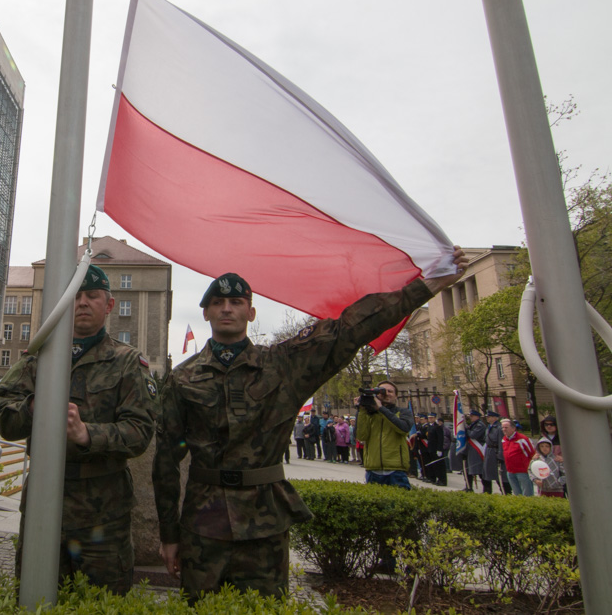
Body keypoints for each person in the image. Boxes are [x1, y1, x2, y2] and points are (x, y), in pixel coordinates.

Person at [152, 246, 468, 601]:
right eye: (218, 302)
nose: (227, 308)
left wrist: (428, 286)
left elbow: (350, 328)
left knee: (266, 609)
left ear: (251, 312)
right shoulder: (182, 379)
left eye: (237, 302)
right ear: (207, 312)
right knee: (201, 608)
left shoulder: (284, 365)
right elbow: (166, 459)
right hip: (202, 525)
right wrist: (169, 534)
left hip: (265, 523)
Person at [0, 264, 157, 594]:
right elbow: (4, 421)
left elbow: (140, 432)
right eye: (75, 297)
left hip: (103, 515)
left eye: (92, 296)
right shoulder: (37, 358)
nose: (82, 303)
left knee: (101, 602)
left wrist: (88, 434)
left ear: (109, 305)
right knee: (34, 596)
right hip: (43, 504)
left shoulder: (127, 362)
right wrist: (31, 409)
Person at [355, 382, 415, 489]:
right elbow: (361, 436)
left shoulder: (403, 412)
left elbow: (403, 428)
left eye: (390, 391)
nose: (386, 394)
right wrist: (361, 411)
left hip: (396, 470)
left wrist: (381, 408)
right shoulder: (370, 415)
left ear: (396, 396)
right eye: (382, 391)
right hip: (373, 470)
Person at [500, 418, 534, 496]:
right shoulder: (504, 440)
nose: (504, 429)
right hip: (510, 472)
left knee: (527, 495)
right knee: (517, 495)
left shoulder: (522, 439)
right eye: (503, 428)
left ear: (513, 428)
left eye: (506, 427)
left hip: (523, 472)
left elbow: (532, 453)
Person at [464, 409, 491, 493]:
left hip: (477, 450)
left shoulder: (480, 425)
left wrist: (466, 429)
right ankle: (468, 487)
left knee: (480, 471)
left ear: (477, 416)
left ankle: (487, 489)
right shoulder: (473, 424)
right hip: (471, 450)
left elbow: (473, 435)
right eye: (470, 416)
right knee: (469, 470)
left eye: (472, 416)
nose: (470, 417)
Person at [425, 413, 447, 486]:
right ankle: (434, 478)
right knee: (434, 465)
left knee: (440, 466)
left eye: (432, 418)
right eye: (429, 418)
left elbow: (440, 439)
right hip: (431, 449)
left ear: (434, 418)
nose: (430, 419)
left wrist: (439, 449)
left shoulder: (437, 427)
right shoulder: (429, 427)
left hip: (436, 449)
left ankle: (442, 480)